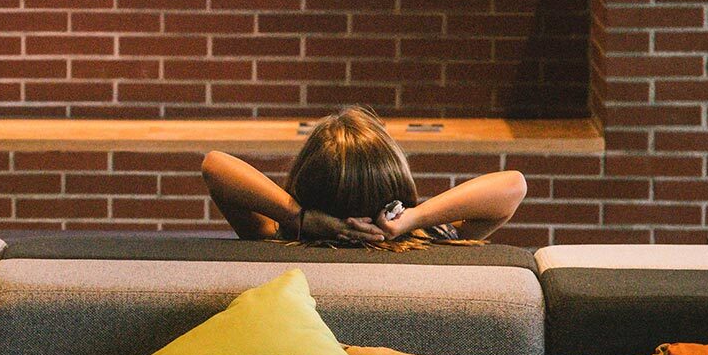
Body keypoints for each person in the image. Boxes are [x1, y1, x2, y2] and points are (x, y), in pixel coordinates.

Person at [201, 106, 526, 248]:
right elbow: (513, 186)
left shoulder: (278, 237)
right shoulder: (433, 239)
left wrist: (300, 218)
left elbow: (214, 166)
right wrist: (413, 219)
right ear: (398, 187)